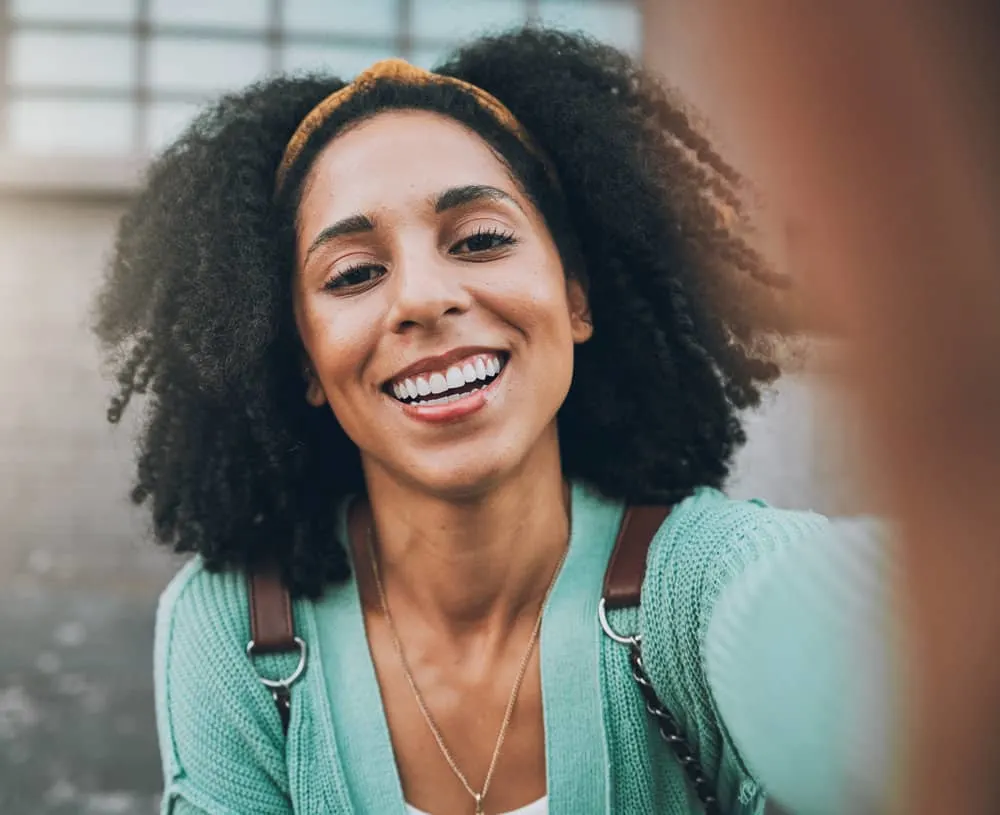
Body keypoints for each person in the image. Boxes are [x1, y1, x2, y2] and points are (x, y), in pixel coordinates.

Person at [94, 27, 891, 815]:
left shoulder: (708, 583)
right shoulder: (238, 629)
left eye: (478, 239)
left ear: (576, 295)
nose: (421, 297)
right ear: (304, 361)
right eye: (355, 273)